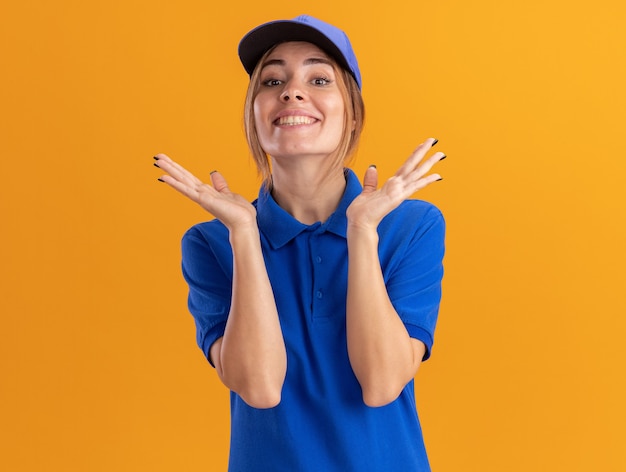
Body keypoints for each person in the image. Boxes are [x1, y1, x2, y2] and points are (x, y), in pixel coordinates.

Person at [154, 14, 446, 471]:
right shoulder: (212, 242)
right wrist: (245, 235)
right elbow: (260, 387)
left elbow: (382, 382)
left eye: (319, 78)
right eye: (272, 80)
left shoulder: (411, 226)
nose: (291, 91)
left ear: (352, 116)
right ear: (255, 115)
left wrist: (363, 235)